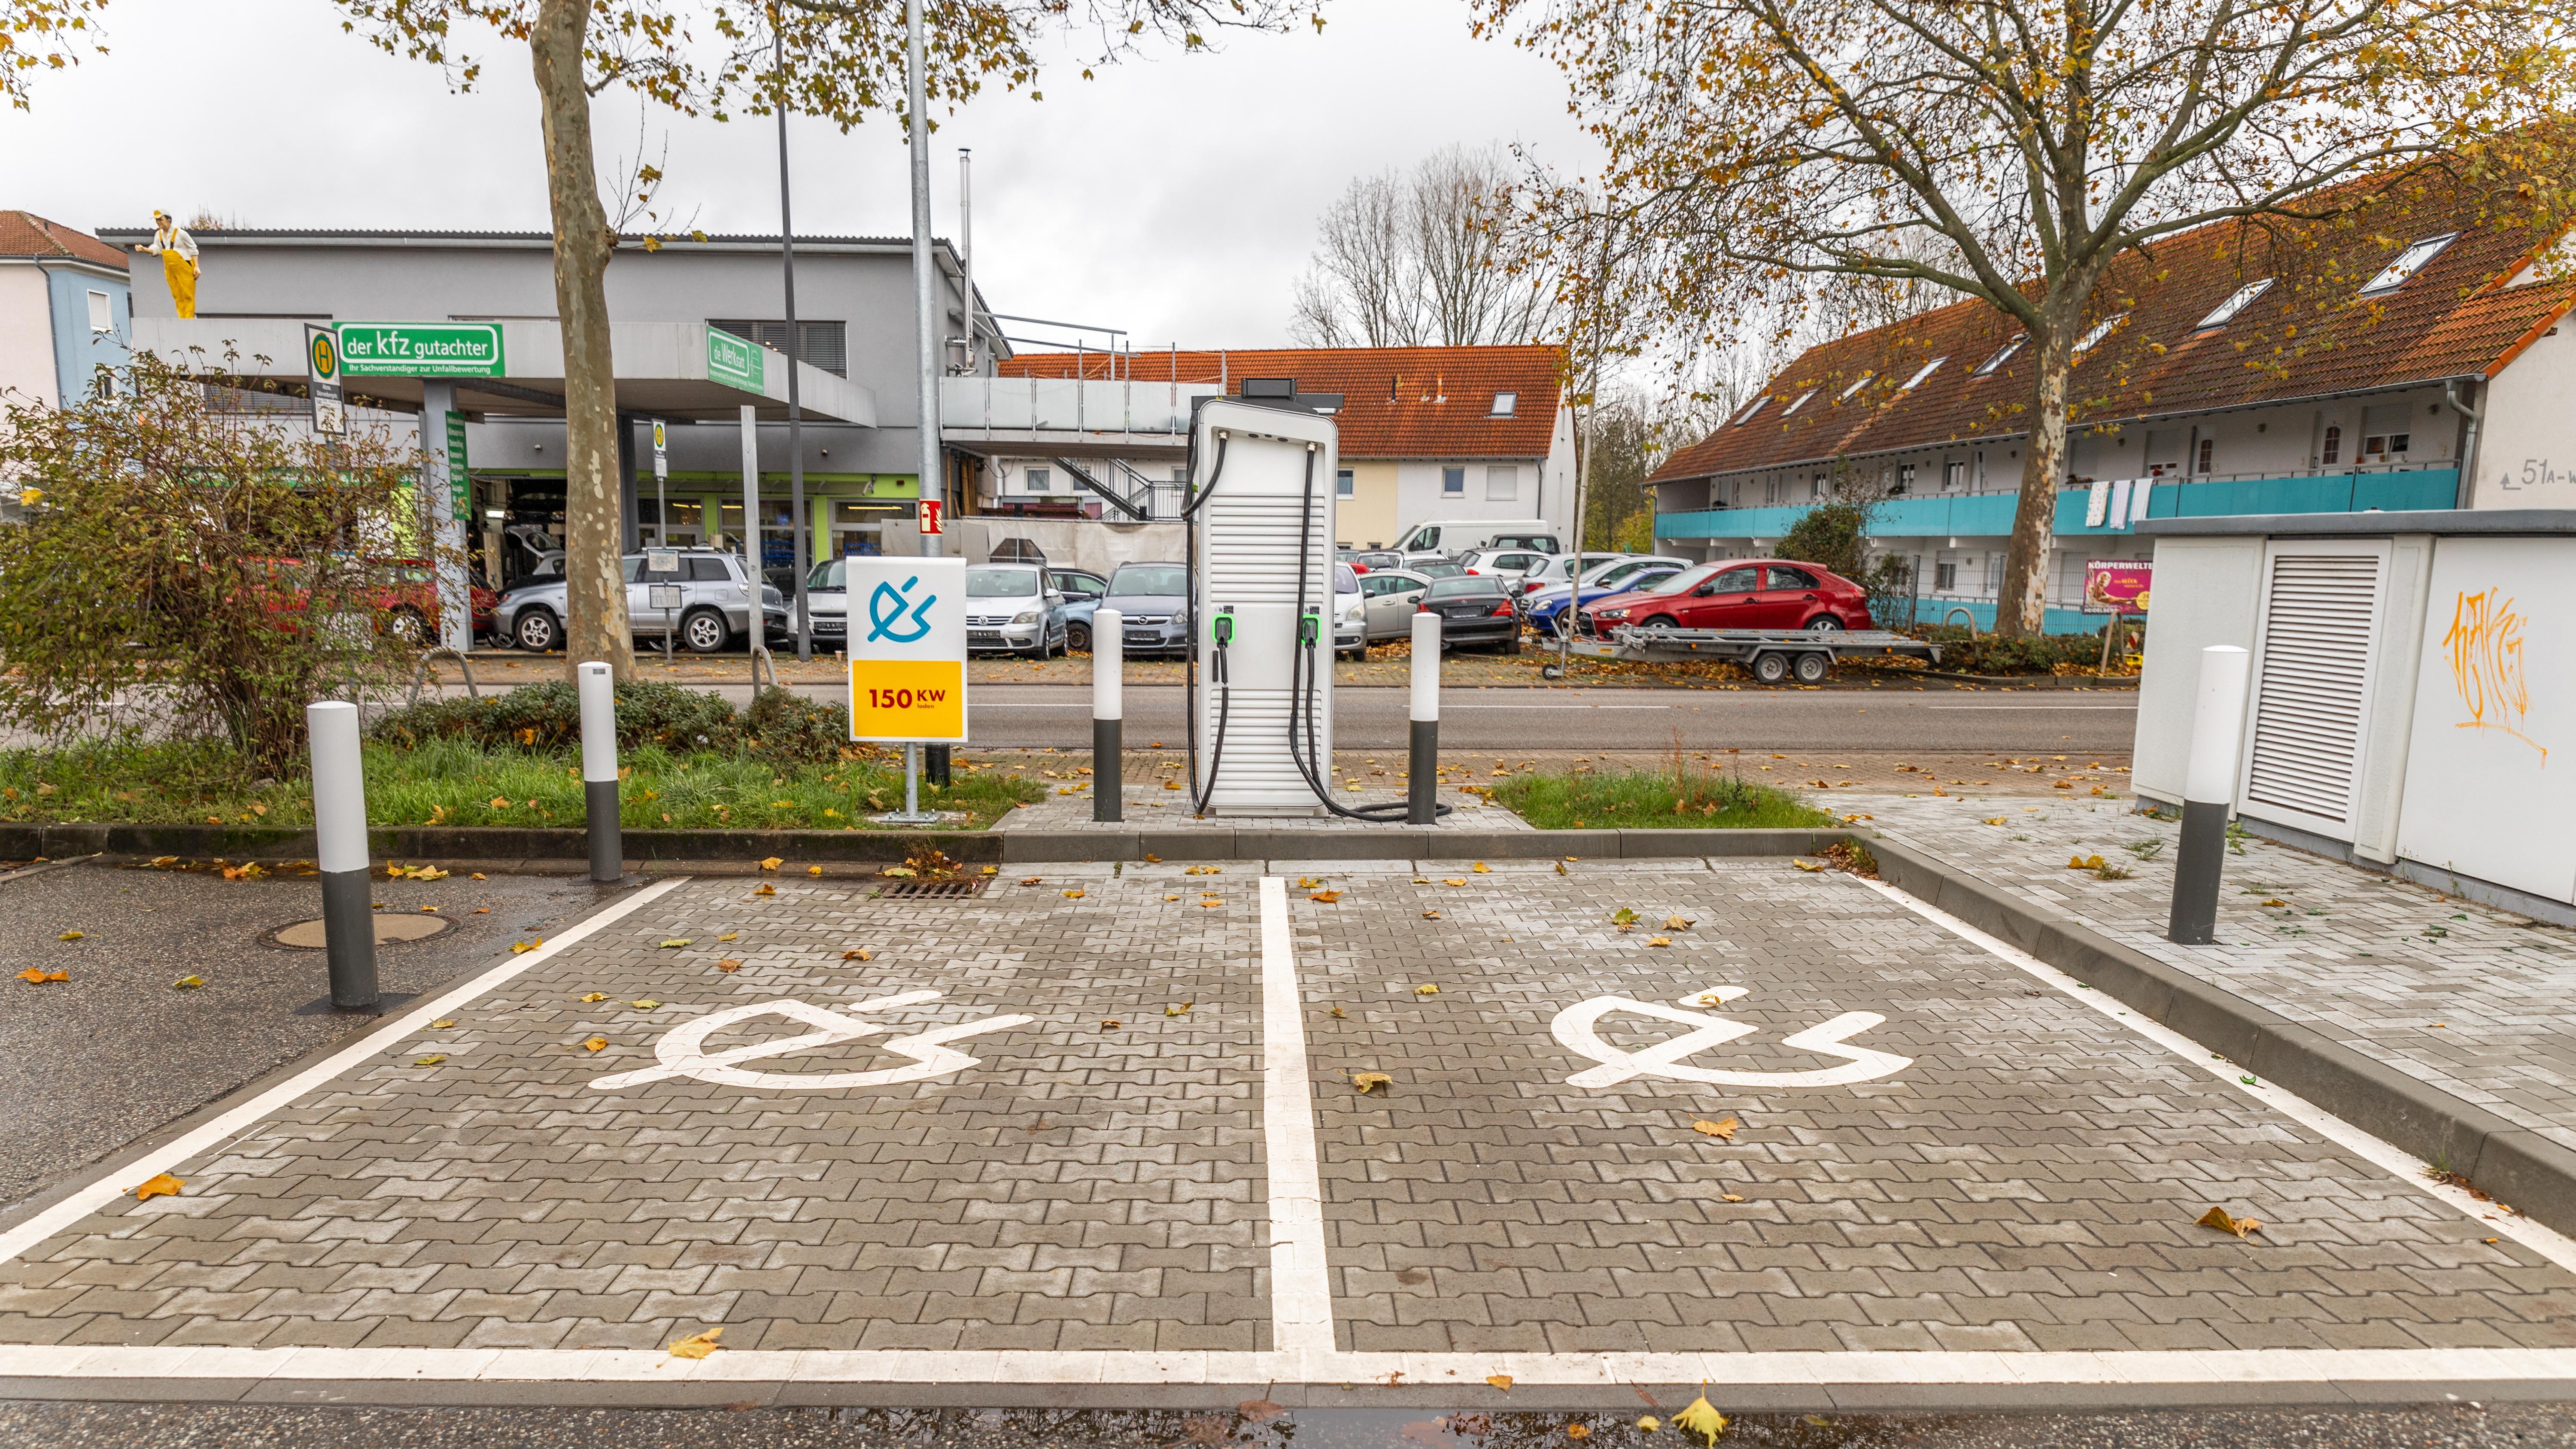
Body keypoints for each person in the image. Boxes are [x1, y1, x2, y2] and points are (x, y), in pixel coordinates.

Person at [134, 211, 199, 319]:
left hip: (185, 266)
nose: (158, 222)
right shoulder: (158, 235)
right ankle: (182, 319)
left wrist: (196, 266)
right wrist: (145, 249)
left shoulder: (181, 233)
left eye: (160, 220)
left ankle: (189, 319)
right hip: (170, 268)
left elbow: (193, 248)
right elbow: (157, 249)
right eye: (156, 220)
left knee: (188, 295)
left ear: (168, 220)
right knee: (177, 295)